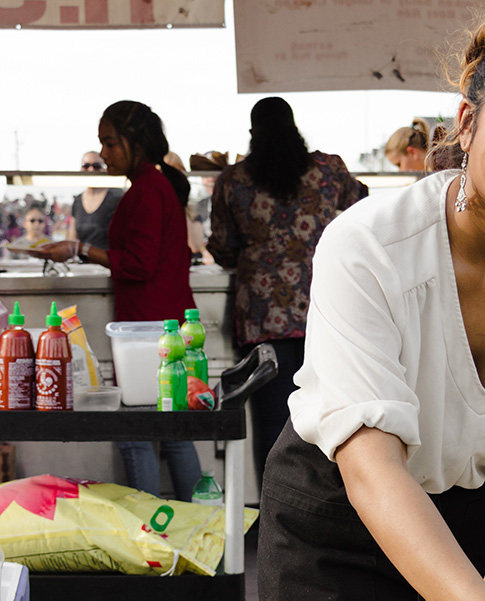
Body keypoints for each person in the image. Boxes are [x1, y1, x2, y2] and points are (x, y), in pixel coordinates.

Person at [258, 9, 485, 600]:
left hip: (483, 523)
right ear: (469, 124)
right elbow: (370, 463)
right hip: (338, 525)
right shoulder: (370, 244)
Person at [35, 100, 201, 501]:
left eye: (110, 144)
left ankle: (148, 534)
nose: (104, 154)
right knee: (174, 431)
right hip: (164, 323)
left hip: (149, 328)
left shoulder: (146, 189)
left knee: (136, 434)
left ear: (135, 142)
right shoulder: (153, 186)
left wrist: (79, 249)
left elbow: (140, 265)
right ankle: (201, 527)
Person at [207, 96, 368, 488]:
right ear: (295, 129)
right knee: (331, 417)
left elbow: (223, 247)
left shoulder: (233, 181)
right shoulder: (329, 170)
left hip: (265, 318)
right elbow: (362, 214)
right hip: (328, 311)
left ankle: (276, 517)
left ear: (252, 134)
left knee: (274, 423)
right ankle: (326, 515)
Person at [68, 151, 124, 250]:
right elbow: (73, 239)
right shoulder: (77, 201)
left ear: (105, 169)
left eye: (96, 166)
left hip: (107, 261)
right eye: (86, 166)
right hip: (82, 263)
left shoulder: (117, 196)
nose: (91, 169)